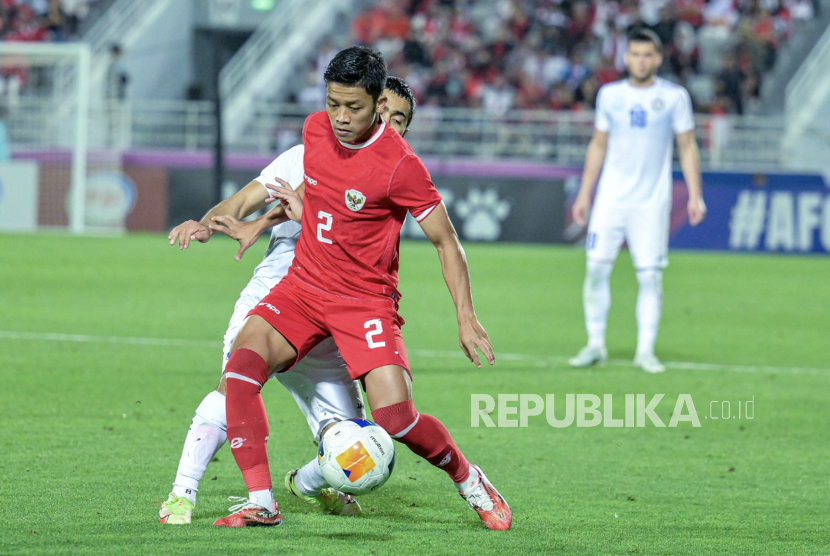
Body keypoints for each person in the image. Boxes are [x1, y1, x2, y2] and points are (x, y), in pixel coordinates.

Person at [214, 46, 511, 530]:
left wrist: (465, 314)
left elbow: (446, 241)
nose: (340, 117)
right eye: (333, 103)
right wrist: (262, 220)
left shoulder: (400, 165)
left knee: (395, 420)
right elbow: (317, 189)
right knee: (242, 369)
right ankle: (262, 502)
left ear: (378, 104)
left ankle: (470, 479)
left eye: (353, 107)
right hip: (303, 288)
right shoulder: (315, 130)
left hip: (363, 302)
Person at [159, 77, 420, 525]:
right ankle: (183, 492)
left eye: (400, 120)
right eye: (385, 113)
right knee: (234, 388)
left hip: (335, 317)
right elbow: (247, 198)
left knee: (353, 439)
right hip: (276, 299)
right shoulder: (308, 154)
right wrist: (208, 223)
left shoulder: (393, 175)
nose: (390, 125)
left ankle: (309, 484)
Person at [569, 29, 706, 374]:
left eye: (648, 55)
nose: (641, 61)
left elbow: (687, 146)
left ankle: (645, 350)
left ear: (657, 58)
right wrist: (585, 193)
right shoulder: (610, 95)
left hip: (651, 204)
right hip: (610, 201)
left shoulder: (674, 97)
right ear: (626, 57)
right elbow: (598, 145)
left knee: (649, 278)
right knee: (597, 269)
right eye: (635, 54)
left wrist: (695, 194)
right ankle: (595, 343)